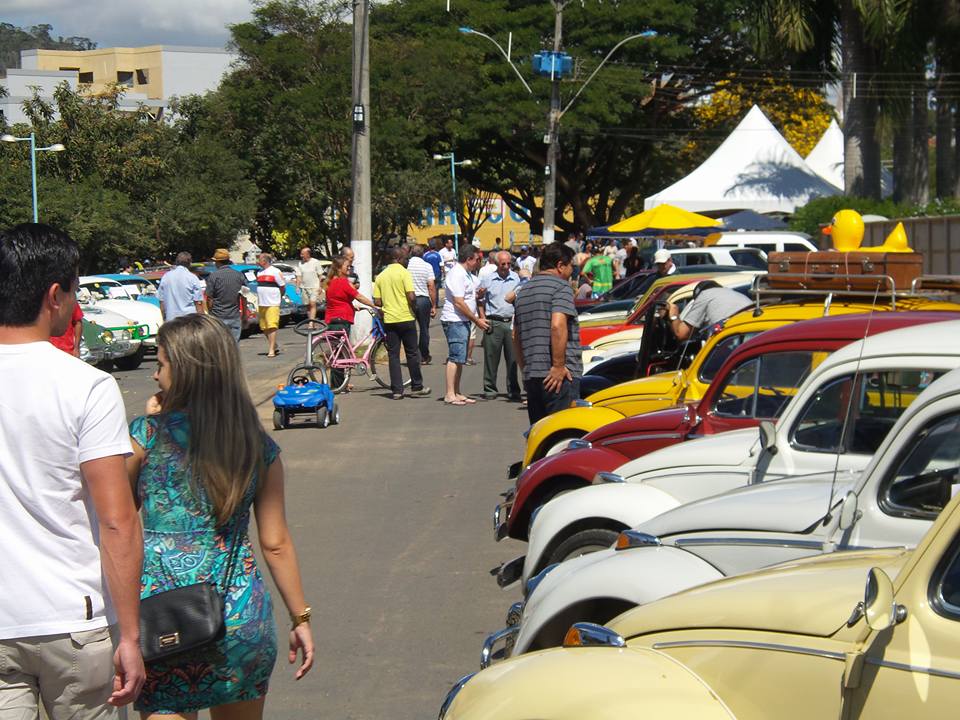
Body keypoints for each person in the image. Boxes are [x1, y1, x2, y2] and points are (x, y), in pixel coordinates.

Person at [127, 314, 314, 718]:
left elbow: (118, 523)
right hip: (240, 619)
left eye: (160, 365)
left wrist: (154, 422)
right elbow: (275, 543)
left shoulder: (144, 437)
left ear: (185, 370)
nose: (156, 376)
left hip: (163, 623)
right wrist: (301, 617)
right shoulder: (256, 446)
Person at [0, 223, 145, 717]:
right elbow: (116, 520)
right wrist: (129, 634)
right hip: (73, 620)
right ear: (54, 295)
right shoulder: (86, 387)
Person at [513, 242, 582, 424]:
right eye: (571, 267)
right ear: (560, 266)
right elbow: (558, 325)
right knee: (562, 435)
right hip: (558, 378)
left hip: (533, 376)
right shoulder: (561, 287)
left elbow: (516, 336)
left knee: (541, 435)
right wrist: (558, 366)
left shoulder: (523, 291)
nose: (572, 272)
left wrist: (525, 370)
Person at [373, 246, 430, 399]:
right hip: (406, 318)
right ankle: (417, 386)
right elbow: (411, 296)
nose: (406, 261)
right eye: (405, 258)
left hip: (390, 320)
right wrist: (414, 308)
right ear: (398, 259)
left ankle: (397, 390)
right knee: (412, 353)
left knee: (393, 355)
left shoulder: (380, 276)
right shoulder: (405, 273)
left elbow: (377, 301)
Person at [440, 244, 489, 405]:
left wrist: (477, 294)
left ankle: (457, 391)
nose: (478, 262)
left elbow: (468, 294)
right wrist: (477, 320)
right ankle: (449, 393)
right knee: (455, 357)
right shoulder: (457, 274)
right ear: (469, 259)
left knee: (460, 357)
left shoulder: (466, 274)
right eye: (477, 259)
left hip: (463, 320)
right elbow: (459, 302)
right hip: (455, 320)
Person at [324, 255, 378, 390]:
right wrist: (373, 305)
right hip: (342, 320)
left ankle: (340, 384)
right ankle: (339, 385)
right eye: (346, 266)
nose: (349, 268)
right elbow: (358, 296)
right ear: (338, 268)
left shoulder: (330, 283)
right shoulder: (343, 282)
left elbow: (337, 300)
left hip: (332, 319)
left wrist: (352, 307)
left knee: (338, 352)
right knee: (341, 354)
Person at [479, 251, 522, 401]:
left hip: (511, 321)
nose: (506, 266)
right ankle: (490, 388)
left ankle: (513, 390)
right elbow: (480, 301)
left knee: (513, 359)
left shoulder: (516, 278)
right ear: (497, 264)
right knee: (491, 357)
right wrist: (482, 318)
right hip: (493, 321)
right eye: (503, 264)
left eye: (508, 263)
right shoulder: (487, 279)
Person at [666, 280, 753, 341]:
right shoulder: (737, 294)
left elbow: (681, 334)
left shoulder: (704, 295)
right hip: (754, 336)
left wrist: (674, 314)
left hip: (729, 343)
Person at [205, 248, 245, 342]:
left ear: (217, 262)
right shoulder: (238, 275)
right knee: (234, 346)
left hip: (218, 316)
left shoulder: (214, 276)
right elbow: (244, 296)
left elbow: (209, 298)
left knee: (221, 346)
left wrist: (210, 313)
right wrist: (244, 315)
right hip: (234, 315)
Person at [407, 244, 437, 364]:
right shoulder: (427, 266)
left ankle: (412, 354)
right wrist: (434, 305)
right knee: (424, 329)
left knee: (410, 329)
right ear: (422, 254)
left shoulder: (407, 265)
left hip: (409, 299)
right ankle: (424, 355)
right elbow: (431, 286)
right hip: (423, 300)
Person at [157, 251, 205, 321]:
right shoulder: (192, 277)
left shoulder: (166, 277)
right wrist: (202, 321)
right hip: (189, 320)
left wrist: (164, 318)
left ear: (176, 262)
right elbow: (198, 303)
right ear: (190, 263)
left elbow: (161, 301)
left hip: (171, 320)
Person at [255, 253, 286, 358]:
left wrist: (279, 297)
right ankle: (274, 344)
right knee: (264, 327)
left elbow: (282, 286)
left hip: (272, 302)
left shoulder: (276, 271)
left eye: (259, 259)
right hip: (261, 302)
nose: (257, 261)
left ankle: (271, 349)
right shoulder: (259, 272)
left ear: (265, 260)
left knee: (272, 325)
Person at [295, 246, 325, 320]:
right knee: (308, 305)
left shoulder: (315, 262)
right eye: (301, 254)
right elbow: (299, 276)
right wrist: (297, 287)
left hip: (314, 287)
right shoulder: (300, 264)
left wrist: (321, 287)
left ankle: (311, 323)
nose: (301, 256)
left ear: (308, 254)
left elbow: (320, 275)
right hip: (304, 287)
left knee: (312, 303)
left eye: (303, 254)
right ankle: (312, 321)